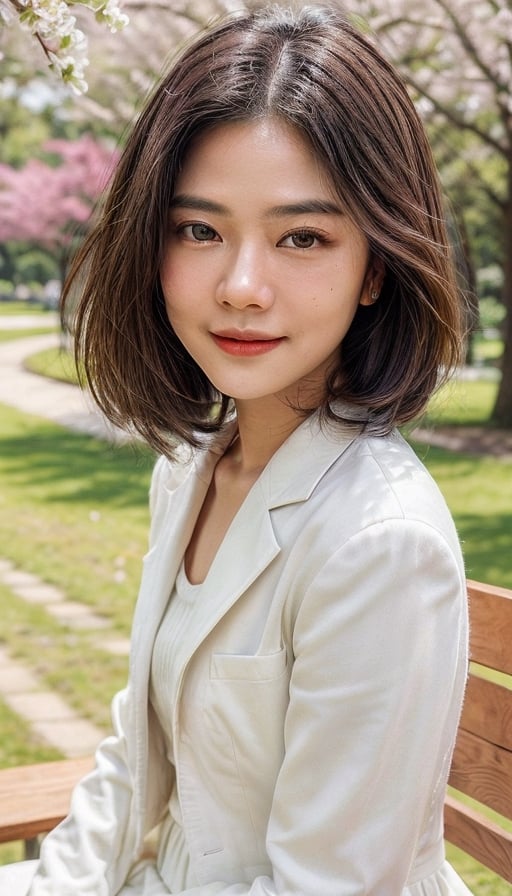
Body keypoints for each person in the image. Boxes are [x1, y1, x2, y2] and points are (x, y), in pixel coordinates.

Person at [1, 3, 473, 894]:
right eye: (200, 230)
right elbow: (135, 761)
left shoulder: (379, 547)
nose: (242, 287)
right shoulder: (193, 467)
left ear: (376, 265)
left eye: (303, 237)